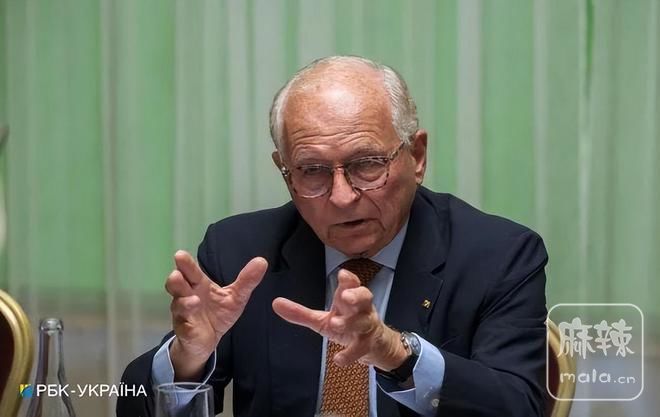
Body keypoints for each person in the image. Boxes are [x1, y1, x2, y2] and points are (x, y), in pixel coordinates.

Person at [117, 55, 548, 417]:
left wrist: (396, 354)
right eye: (313, 171)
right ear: (285, 171)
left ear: (417, 156)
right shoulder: (240, 251)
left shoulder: (499, 255)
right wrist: (188, 358)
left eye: (368, 164)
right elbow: (132, 404)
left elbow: (519, 405)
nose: (342, 197)